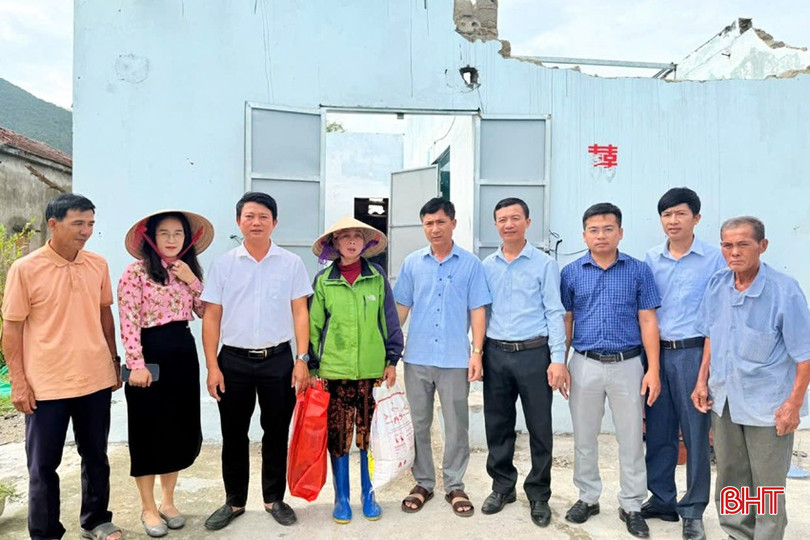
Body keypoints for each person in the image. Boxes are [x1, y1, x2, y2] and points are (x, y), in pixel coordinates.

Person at [1, 193, 124, 540]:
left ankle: (96, 520)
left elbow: (104, 312)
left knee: (96, 455)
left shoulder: (97, 264)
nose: (86, 231)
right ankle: (45, 533)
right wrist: (18, 381)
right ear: (53, 224)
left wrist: (113, 361)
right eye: (78, 224)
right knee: (43, 466)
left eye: (90, 224)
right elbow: (12, 327)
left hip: (94, 378)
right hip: (46, 384)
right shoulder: (25, 269)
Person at [692, 216, 810, 540]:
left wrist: (793, 405)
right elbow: (711, 335)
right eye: (727, 245)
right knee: (732, 475)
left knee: (767, 481)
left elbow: (805, 355)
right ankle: (739, 533)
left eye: (743, 244)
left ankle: (766, 536)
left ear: (762, 246)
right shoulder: (718, 285)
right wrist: (702, 381)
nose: (734, 252)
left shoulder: (784, 291)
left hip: (768, 405)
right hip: (725, 399)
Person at [201, 192, 312, 531]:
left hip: (278, 360)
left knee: (276, 431)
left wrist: (302, 359)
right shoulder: (223, 264)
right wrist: (212, 366)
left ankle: (273, 498)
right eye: (249, 216)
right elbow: (211, 317)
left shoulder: (291, 263)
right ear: (239, 222)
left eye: (263, 216)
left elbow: (300, 312)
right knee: (233, 434)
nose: (256, 222)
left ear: (274, 223)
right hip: (232, 361)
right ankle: (234, 501)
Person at [560, 202, 661, 539]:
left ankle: (632, 504)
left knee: (630, 438)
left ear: (620, 232)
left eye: (608, 229)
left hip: (628, 365)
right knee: (584, 436)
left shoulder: (638, 271)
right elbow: (566, 321)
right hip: (584, 364)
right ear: (584, 235)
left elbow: (648, 320)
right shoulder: (571, 273)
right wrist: (561, 362)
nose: (600, 235)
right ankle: (588, 497)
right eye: (594, 230)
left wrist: (653, 369)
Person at [118, 210, 214, 537]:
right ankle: (147, 507)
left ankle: (168, 501)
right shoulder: (135, 272)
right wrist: (136, 363)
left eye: (178, 233)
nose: (172, 240)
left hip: (183, 354)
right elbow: (128, 320)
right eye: (164, 233)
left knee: (177, 428)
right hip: (149, 356)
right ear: (151, 238)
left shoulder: (187, 271)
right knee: (147, 432)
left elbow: (206, 311)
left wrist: (192, 280)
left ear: (187, 239)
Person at [393, 197, 491, 518]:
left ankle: (454, 484)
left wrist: (477, 352)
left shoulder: (471, 264)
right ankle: (423, 482)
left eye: (440, 222)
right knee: (418, 423)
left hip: (454, 358)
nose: (435, 229)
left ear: (453, 223)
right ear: (423, 226)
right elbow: (401, 308)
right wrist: (389, 350)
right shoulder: (412, 263)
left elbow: (478, 310)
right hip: (417, 357)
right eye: (429, 223)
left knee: (456, 424)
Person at [309, 216, 404, 523]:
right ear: (334, 244)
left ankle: (369, 493)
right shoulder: (324, 280)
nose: (351, 241)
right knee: (338, 437)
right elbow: (314, 326)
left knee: (369, 437)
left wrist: (392, 360)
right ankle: (342, 498)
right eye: (344, 236)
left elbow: (389, 321)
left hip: (371, 374)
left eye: (357, 236)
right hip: (333, 373)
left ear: (365, 243)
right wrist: (312, 367)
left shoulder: (376, 277)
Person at [642, 188, 724, 540]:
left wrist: (706, 371)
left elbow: (719, 316)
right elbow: (646, 312)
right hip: (656, 353)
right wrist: (649, 363)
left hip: (694, 353)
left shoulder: (714, 259)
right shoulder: (650, 259)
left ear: (696, 218)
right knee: (658, 430)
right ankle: (662, 498)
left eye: (680, 214)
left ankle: (693, 509)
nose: (672, 221)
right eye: (666, 215)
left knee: (695, 434)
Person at [480, 198, 567, 528]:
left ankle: (539, 493)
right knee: (498, 424)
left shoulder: (544, 264)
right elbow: (480, 312)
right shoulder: (486, 266)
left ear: (528, 222)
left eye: (515, 218)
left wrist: (558, 359)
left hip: (534, 354)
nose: (508, 224)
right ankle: (502, 486)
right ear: (496, 224)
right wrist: (476, 352)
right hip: (496, 353)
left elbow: (555, 312)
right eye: (502, 219)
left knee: (540, 427)